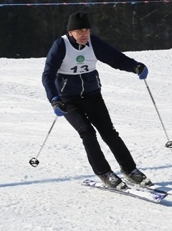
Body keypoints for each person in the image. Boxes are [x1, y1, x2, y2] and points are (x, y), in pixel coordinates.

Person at [41, 11, 151, 190]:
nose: (84, 34)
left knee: (109, 132)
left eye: (86, 30)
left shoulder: (94, 43)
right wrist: (54, 99)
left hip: (92, 95)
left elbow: (115, 58)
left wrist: (135, 66)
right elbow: (48, 75)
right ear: (70, 32)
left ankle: (130, 170)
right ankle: (104, 173)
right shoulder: (60, 45)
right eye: (79, 31)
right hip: (68, 100)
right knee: (87, 133)